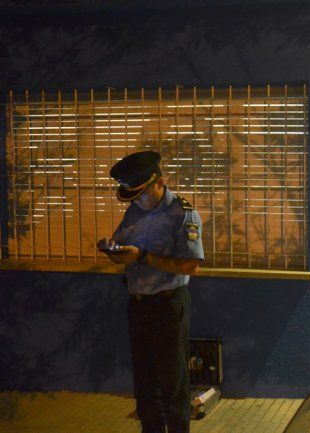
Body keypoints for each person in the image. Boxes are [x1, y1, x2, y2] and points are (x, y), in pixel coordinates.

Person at [100, 150, 204, 433]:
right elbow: (125, 247)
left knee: (173, 383)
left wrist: (144, 256)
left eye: (142, 194)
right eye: (133, 196)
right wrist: (115, 252)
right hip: (138, 305)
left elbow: (191, 265)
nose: (137, 201)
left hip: (168, 306)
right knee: (145, 385)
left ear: (159, 182)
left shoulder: (182, 214)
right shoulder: (135, 210)